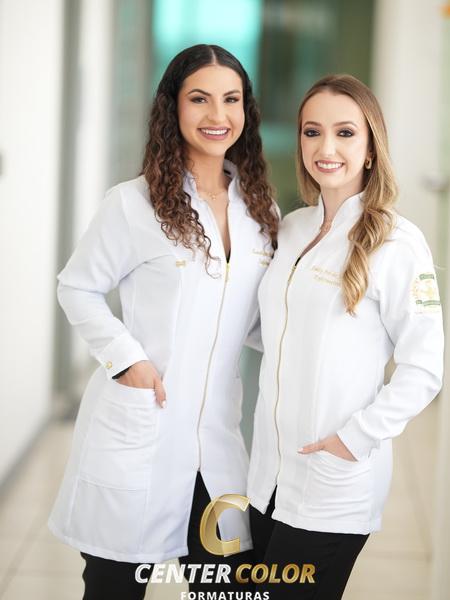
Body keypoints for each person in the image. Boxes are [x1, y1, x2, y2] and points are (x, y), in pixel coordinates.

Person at [48, 44, 278, 599]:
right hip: (144, 428)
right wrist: (126, 360)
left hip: (219, 442)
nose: (217, 115)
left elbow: (249, 318)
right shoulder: (133, 204)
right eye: (199, 99)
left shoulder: (260, 211)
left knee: (226, 585)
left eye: (231, 100)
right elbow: (76, 286)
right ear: (172, 107)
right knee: (115, 587)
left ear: (246, 110)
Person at [247, 74, 444, 599]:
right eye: (312, 132)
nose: (325, 148)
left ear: (372, 148)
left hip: (332, 483)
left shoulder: (399, 243)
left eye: (345, 133)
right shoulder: (290, 230)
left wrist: (355, 439)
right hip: (267, 478)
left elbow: (425, 368)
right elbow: (278, 332)